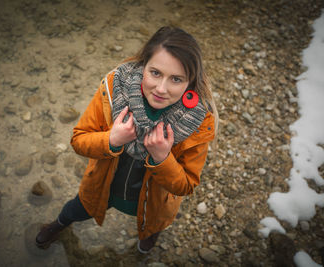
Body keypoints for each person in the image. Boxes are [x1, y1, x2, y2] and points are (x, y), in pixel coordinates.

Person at [35, 26, 218, 254]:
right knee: (76, 209)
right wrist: (111, 140)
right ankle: (59, 224)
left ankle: (149, 237)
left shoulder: (198, 121)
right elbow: (78, 140)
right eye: (155, 73)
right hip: (103, 186)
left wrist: (162, 158)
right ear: (143, 65)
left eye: (176, 79)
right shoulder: (114, 89)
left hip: (153, 202)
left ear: (190, 82)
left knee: (152, 223)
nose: (161, 89)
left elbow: (186, 185)